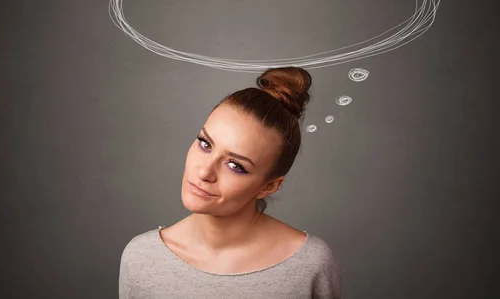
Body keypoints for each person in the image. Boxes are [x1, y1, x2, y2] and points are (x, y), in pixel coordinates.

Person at [119, 67, 342, 298]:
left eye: (235, 165)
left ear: (269, 186)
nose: (205, 171)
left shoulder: (310, 265)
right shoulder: (142, 258)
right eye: (205, 144)